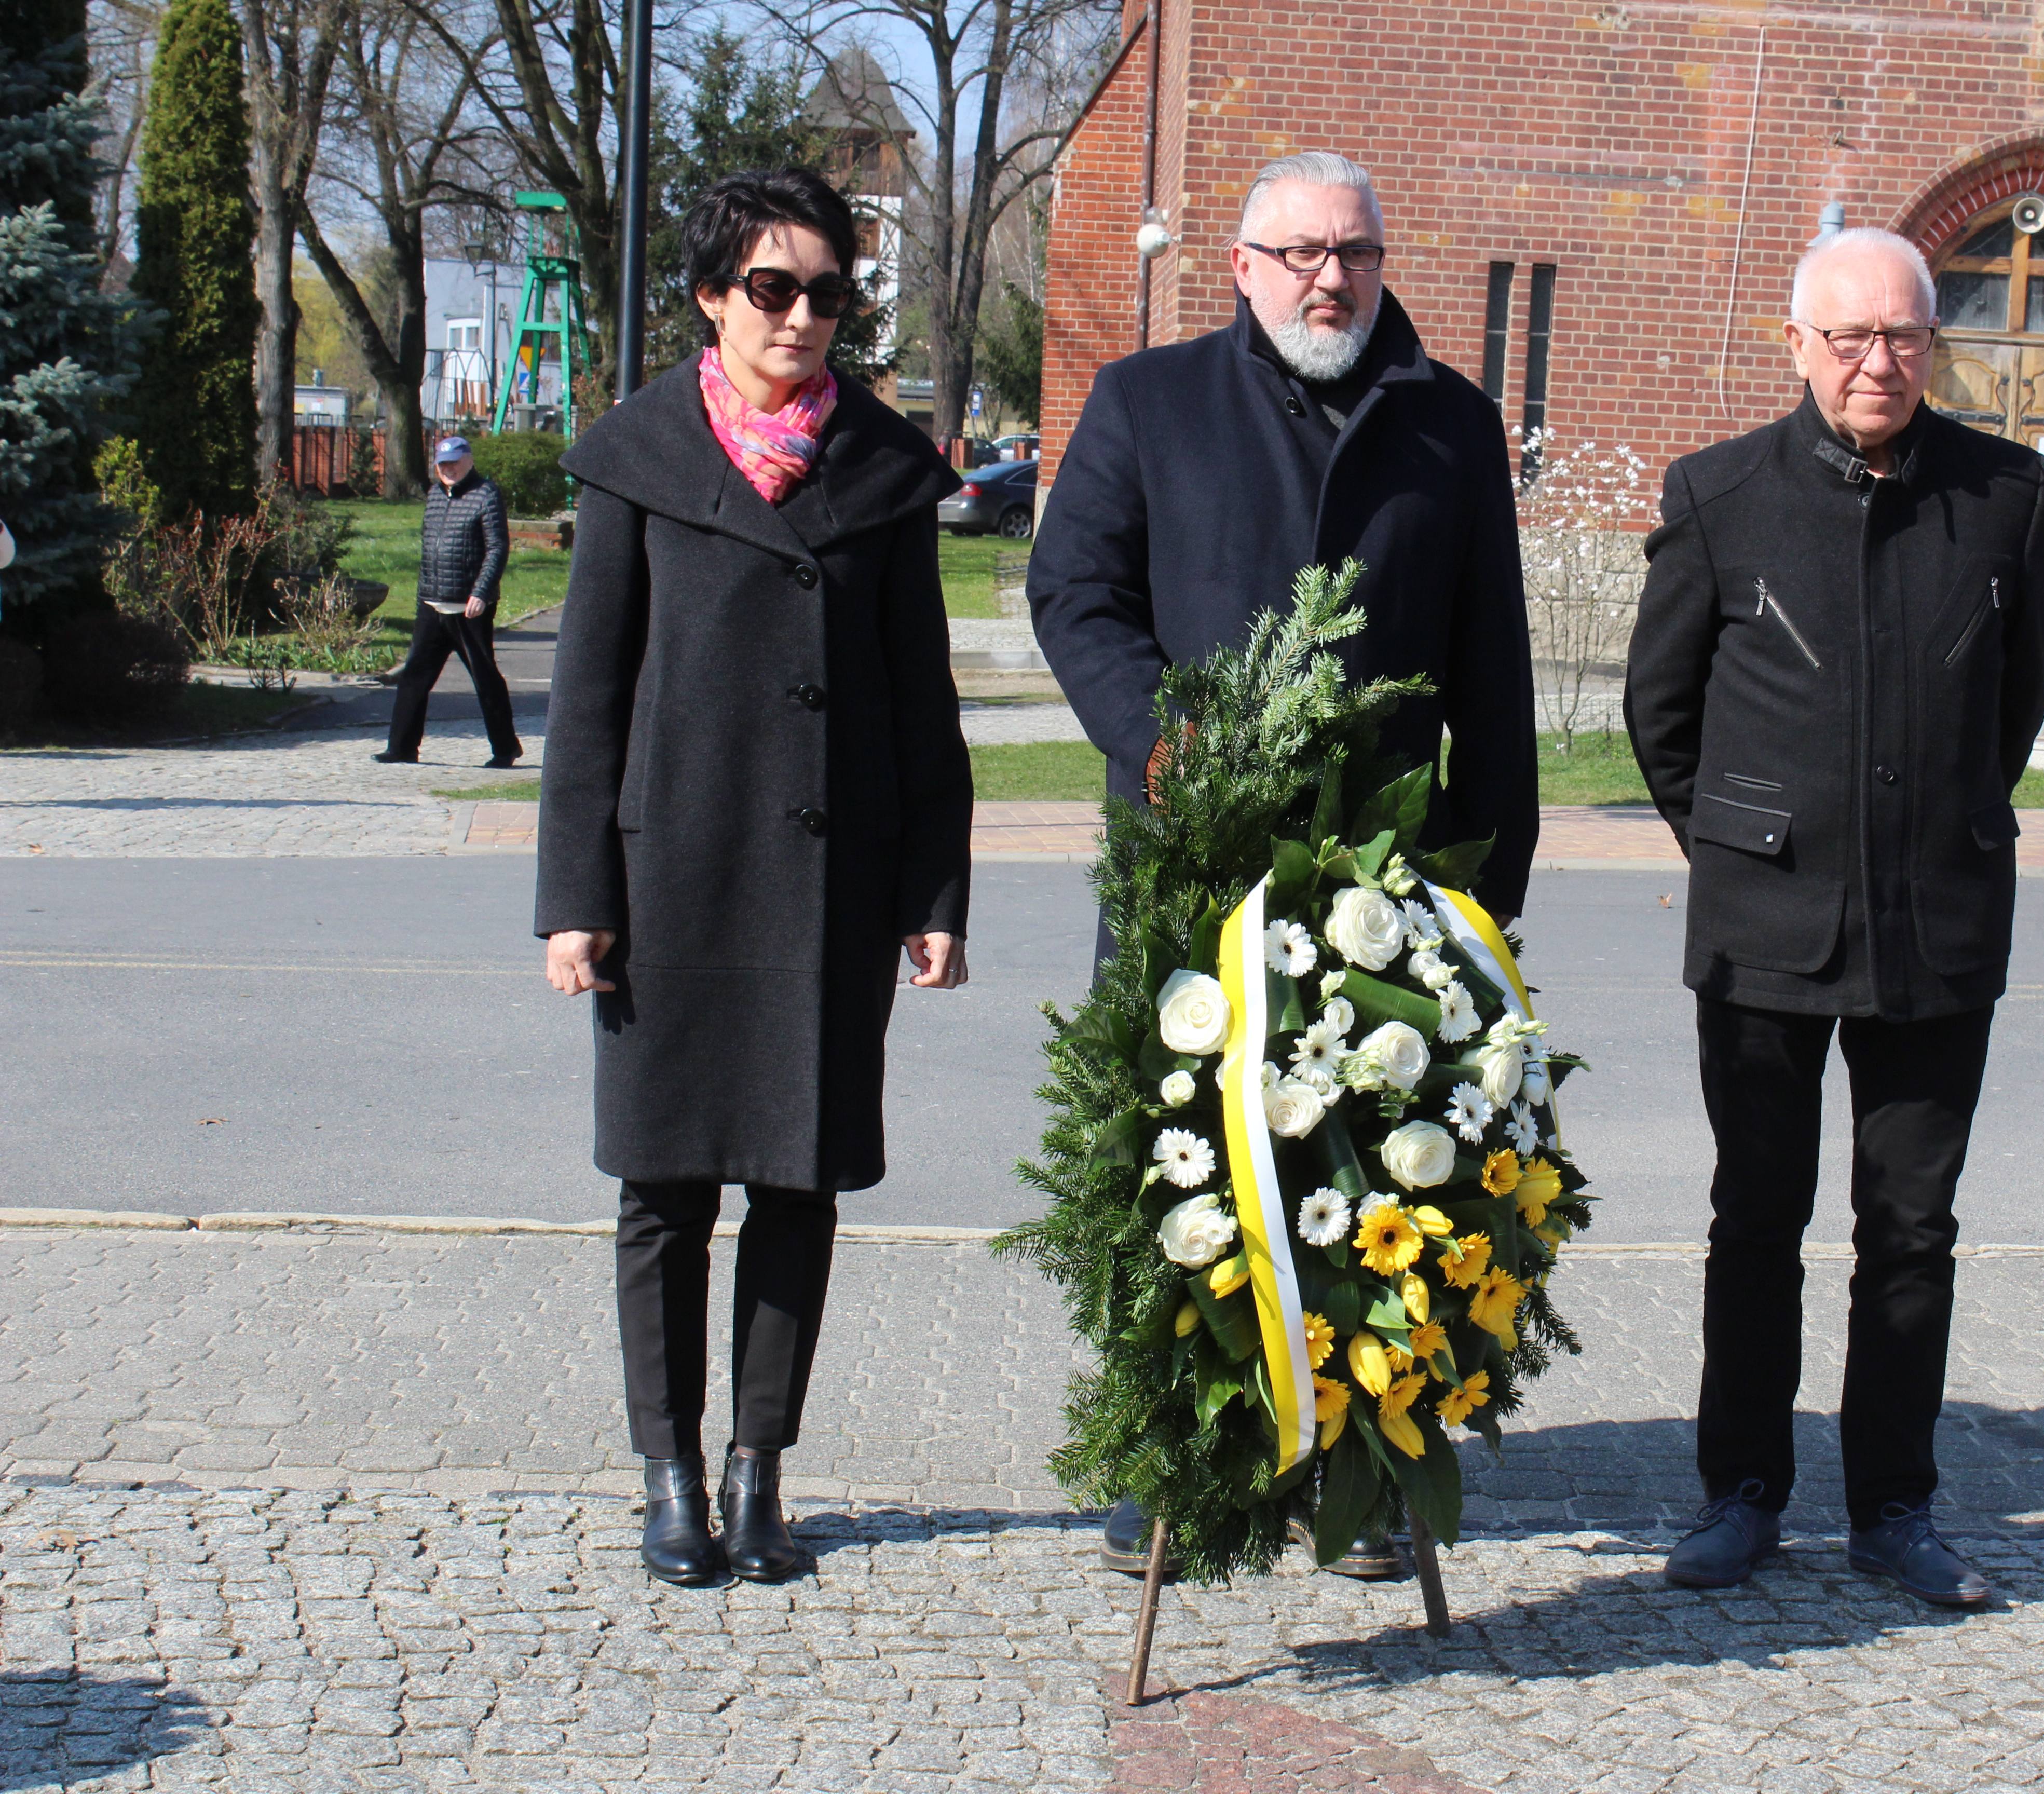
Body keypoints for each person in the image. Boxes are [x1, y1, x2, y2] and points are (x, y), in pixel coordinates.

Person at [1026, 147, 1540, 1580]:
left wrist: (1492, 894)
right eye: (1303, 252)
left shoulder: (1451, 426)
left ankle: (1361, 1473)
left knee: (1372, 1165)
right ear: (1243, 267)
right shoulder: (1148, 402)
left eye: (1357, 252)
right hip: (1192, 861)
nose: (1333, 277)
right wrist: (1157, 739)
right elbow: (1072, 590)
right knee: (1178, 1161)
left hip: (1384, 874)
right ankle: (1171, 1453)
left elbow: (1492, 674)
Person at [535, 169, 975, 1588]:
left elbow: (925, 707)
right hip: (668, 886)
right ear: (715, 296)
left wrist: (935, 895)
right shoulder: (635, 458)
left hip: (834, 885)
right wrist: (573, 899)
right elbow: (589, 703)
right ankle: (667, 1471)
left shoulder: (887, 473)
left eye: (827, 293)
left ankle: (758, 1468)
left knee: (798, 1185)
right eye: (772, 289)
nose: (800, 317)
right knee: (664, 1192)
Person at [1623, 227, 2044, 1603]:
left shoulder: (2006, 496)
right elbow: (1662, 712)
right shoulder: (1720, 497)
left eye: (1907, 338)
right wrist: (1751, 844)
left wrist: (1938, 822)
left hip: (1939, 923)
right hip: (1766, 927)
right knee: (1757, 1218)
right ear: (1797, 345)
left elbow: (2014, 704)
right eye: (1852, 339)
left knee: (1911, 1232)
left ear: (1934, 346)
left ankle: (1896, 1508)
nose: (1880, 363)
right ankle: (1740, 1493)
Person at [374, 436, 524, 768]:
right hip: (432, 603)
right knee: (414, 677)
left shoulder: (486, 494)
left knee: (485, 678)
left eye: (455, 462)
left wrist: (481, 592)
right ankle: (401, 747)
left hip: (468, 607)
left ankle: (505, 748)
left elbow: (497, 548)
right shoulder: (434, 495)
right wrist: (422, 598)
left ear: (469, 461)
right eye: (443, 464)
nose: (449, 469)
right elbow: (430, 550)